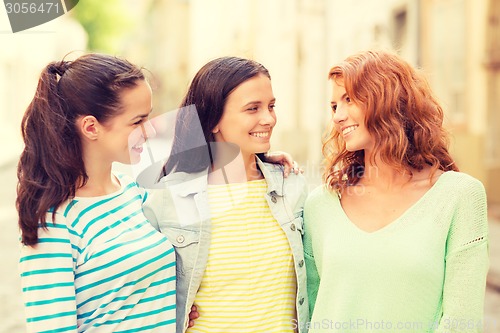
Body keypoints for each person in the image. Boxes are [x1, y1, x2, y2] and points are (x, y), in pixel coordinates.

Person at [303, 49, 489, 332]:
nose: (338, 116)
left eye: (349, 99)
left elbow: (462, 322)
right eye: (333, 106)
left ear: (388, 100)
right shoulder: (321, 204)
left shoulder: (459, 197)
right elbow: (311, 310)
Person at [142, 56, 309, 333]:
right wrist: (175, 307)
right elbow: (144, 290)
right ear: (213, 121)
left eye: (271, 106)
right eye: (252, 108)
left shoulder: (291, 187)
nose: (268, 118)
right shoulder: (168, 197)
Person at [16, 53, 176, 332]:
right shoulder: (54, 223)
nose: (148, 131)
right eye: (137, 121)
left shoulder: (132, 193)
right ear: (91, 127)